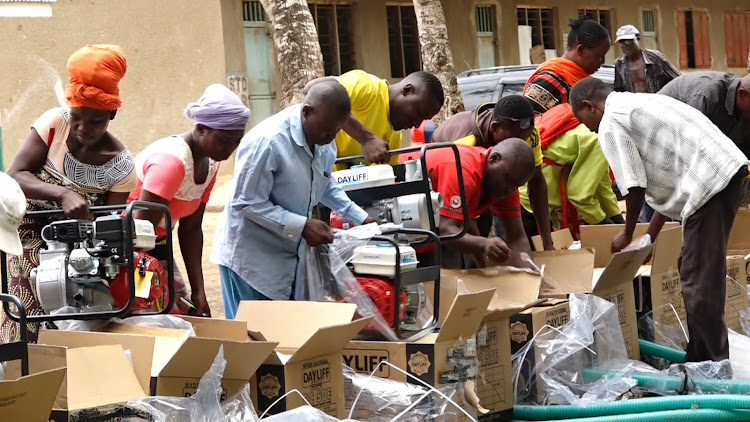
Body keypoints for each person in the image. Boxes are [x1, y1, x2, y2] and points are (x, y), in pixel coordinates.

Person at [570, 77, 750, 364]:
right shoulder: (638, 102)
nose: (587, 128)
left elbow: (634, 187)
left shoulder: (611, 121)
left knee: (698, 278)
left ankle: (710, 365)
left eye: (583, 120)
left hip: (709, 182)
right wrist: (649, 237)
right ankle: (704, 357)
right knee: (697, 271)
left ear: (589, 106)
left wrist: (626, 234)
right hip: (724, 173)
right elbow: (667, 181)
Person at [1, 44, 135, 343]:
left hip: (79, 249)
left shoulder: (122, 167)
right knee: (29, 307)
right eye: (77, 116)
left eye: (95, 120)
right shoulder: (54, 124)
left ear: (112, 113)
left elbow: (107, 227)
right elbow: (15, 175)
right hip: (28, 230)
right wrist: (62, 193)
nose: (82, 128)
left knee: (80, 310)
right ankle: (22, 375)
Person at [212, 79, 377, 319]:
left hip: (287, 257)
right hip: (251, 260)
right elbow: (245, 202)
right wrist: (302, 226)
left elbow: (324, 181)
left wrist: (360, 217)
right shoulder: (267, 142)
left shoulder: (324, 142)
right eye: (328, 129)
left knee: (284, 339)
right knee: (250, 342)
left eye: (337, 130)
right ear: (307, 112)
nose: (331, 136)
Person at [128, 84, 250, 317]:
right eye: (224, 140)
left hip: (155, 243)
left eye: (236, 141)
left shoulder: (212, 163)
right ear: (201, 129)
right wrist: (144, 292)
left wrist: (199, 291)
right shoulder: (172, 163)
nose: (229, 149)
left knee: (183, 311)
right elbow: (136, 238)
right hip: (132, 249)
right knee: (152, 313)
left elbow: (191, 229)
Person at [430, 96, 554, 251]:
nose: (519, 144)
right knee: (465, 238)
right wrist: (481, 246)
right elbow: (459, 222)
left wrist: (547, 241)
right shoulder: (465, 144)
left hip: (490, 173)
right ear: (494, 128)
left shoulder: (527, 133)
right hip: (443, 184)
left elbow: (537, 183)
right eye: (514, 140)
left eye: (524, 140)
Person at [423, 140, 536, 269]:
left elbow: (516, 237)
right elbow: (447, 232)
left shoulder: (508, 183)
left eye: (516, 185)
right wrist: (484, 244)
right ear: (494, 159)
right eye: (508, 180)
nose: (509, 190)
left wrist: (534, 278)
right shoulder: (463, 169)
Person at [519, 103, 623, 240]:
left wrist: (621, 224)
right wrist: (610, 230)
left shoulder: (589, 132)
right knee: (535, 258)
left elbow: (602, 187)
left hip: (531, 196)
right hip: (533, 204)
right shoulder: (599, 141)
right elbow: (580, 196)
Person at [324, 70, 444, 169]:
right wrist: (366, 139)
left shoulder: (395, 137)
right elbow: (320, 92)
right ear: (407, 90)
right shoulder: (368, 87)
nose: (417, 124)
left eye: (424, 119)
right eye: (419, 113)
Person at [524, 16, 611, 114]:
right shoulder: (550, 82)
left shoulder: (585, 82)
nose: (602, 61)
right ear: (580, 50)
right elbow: (526, 124)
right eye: (598, 56)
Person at [613, 25, 680, 94]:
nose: (624, 45)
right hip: (635, 103)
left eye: (628, 41)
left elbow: (677, 78)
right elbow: (619, 89)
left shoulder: (654, 57)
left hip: (657, 102)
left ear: (638, 38)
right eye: (621, 42)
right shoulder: (619, 64)